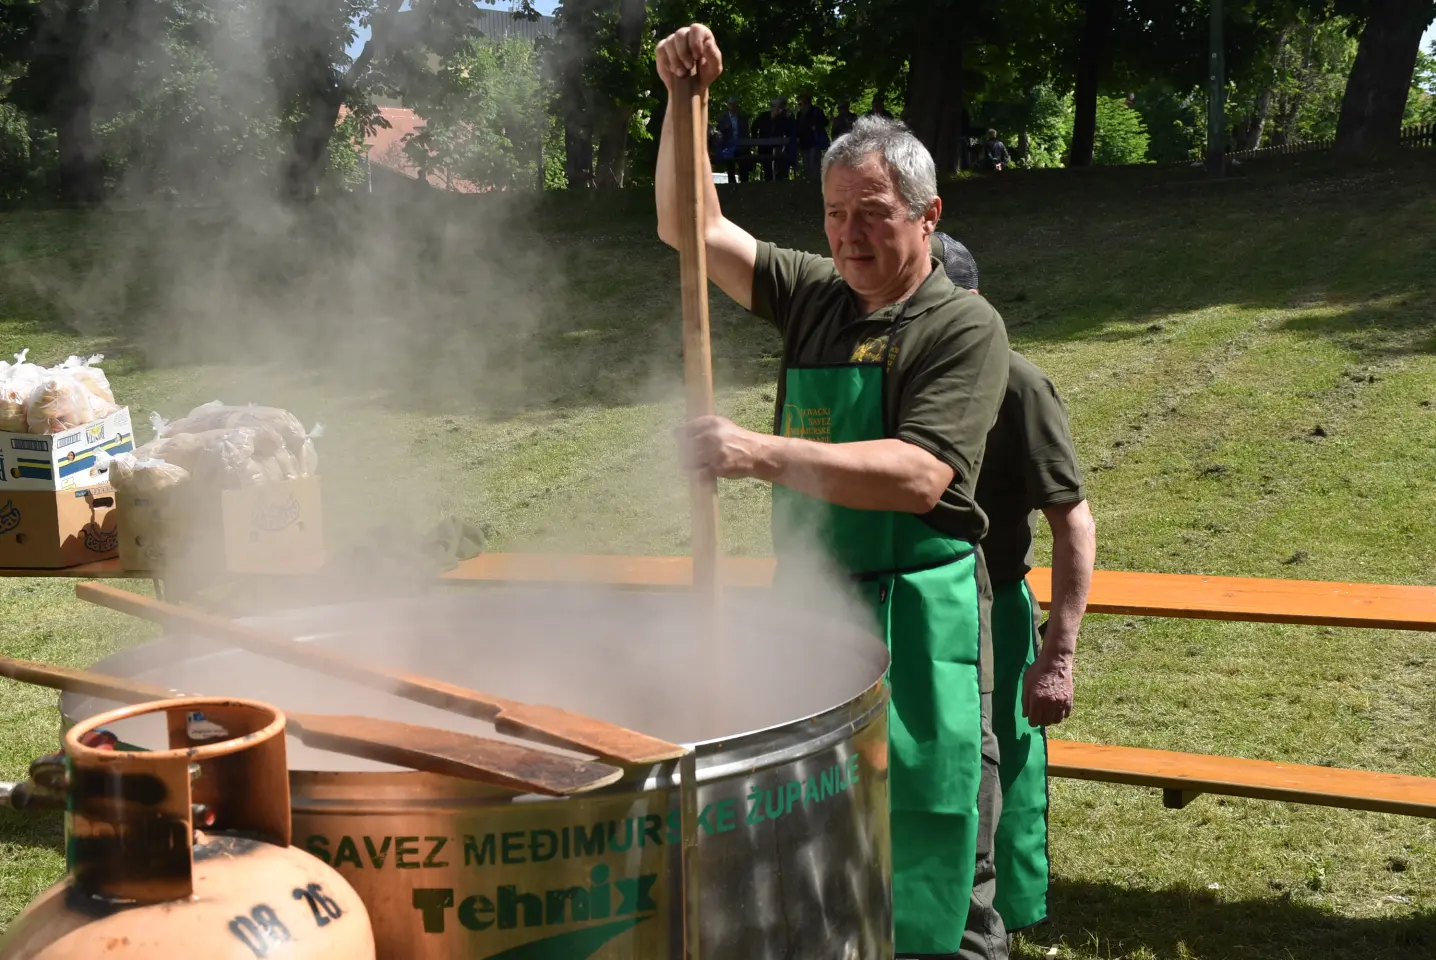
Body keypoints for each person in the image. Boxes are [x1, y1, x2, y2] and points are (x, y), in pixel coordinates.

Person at [655, 24, 1011, 960]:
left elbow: (920, 474)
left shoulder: (962, 326)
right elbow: (689, 231)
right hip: (811, 605)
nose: (849, 234)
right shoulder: (815, 294)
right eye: (834, 212)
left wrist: (757, 452)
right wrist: (682, 102)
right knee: (815, 828)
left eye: (874, 212)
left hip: (920, 613)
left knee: (938, 834)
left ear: (929, 216)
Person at [934, 231, 1097, 934]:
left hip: (995, 604)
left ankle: (1010, 914)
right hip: (920, 601)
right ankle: (932, 903)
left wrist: (1057, 659)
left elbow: (1075, 526)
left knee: (1005, 761)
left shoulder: (1020, 385)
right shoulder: (911, 376)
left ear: (971, 303)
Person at [795, 93, 830, 182]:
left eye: (800, 103)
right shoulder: (799, 114)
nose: (799, 106)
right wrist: (797, 137)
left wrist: (816, 126)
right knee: (806, 163)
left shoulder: (816, 111)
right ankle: (808, 183)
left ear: (806, 102)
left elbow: (825, 122)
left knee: (814, 162)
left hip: (814, 141)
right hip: (803, 142)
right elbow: (797, 126)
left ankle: (815, 183)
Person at [716, 96, 750, 184]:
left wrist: (747, 146)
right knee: (730, 161)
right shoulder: (723, 118)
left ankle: (744, 183)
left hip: (741, 145)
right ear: (728, 105)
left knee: (743, 162)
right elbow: (719, 132)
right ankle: (732, 184)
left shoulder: (742, 117)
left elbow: (746, 132)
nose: (733, 106)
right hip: (729, 147)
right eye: (731, 104)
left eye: (735, 104)